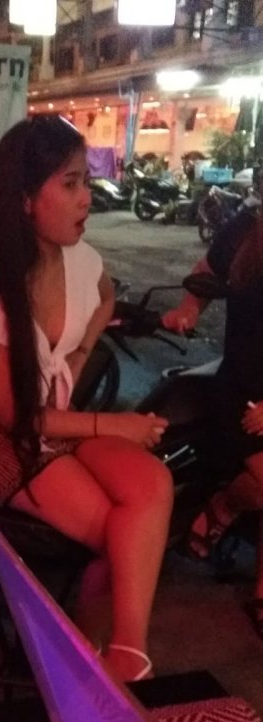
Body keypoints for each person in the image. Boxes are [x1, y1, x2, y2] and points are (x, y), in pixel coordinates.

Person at [0, 115, 172, 683]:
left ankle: (123, 653)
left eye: (85, 181)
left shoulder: (78, 260)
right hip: (5, 442)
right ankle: (88, 658)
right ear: (24, 199)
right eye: (70, 183)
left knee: (153, 484)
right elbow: (18, 418)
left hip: (58, 424)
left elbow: (105, 296)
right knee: (119, 535)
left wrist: (79, 354)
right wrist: (114, 425)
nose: (86, 197)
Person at [163, 197, 263, 638]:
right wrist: (189, 309)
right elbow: (205, 272)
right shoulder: (245, 229)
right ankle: (227, 506)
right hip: (241, 391)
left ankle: (225, 507)